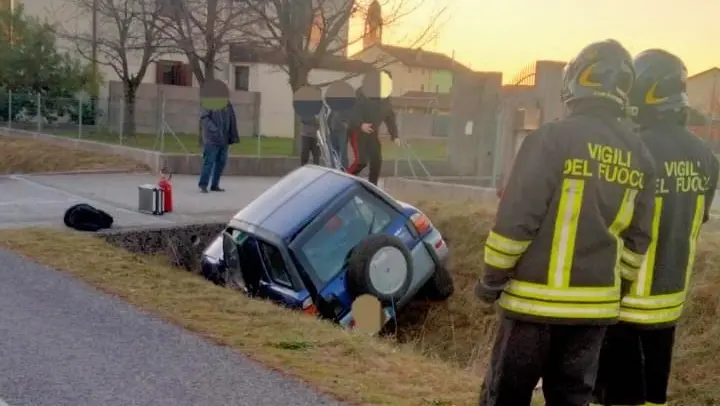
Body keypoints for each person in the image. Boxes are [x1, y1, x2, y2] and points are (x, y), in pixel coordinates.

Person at [475, 39, 657, 406]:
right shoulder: (640, 155)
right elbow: (639, 239)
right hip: (594, 313)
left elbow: (516, 220)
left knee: (506, 394)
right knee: (572, 396)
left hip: (532, 306)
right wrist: (614, 290)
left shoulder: (551, 139)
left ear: (576, 81)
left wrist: (491, 279)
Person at [591, 49, 719, 406]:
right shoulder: (706, 157)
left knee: (614, 394)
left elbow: (607, 218)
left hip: (624, 299)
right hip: (670, 297)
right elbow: (697, 219)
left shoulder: (634, 148)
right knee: (652, 395)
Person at [347, 73, 401, 185]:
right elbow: (352, 110)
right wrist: (361, 124)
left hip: (372, 133)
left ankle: (373, 186)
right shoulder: (362, 92)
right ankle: (344, 180)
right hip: (357, 131)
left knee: (376, 160)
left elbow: (390, 117)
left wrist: (394, 135)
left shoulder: (385, 99)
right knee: (361, 162)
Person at [198, 100, 239, 193]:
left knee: (221, 162)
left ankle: (215, 185)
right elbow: (204, 117)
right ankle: (203, 184)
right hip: (212, 139)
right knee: (209, 161)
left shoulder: (228, 103)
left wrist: (232, 134)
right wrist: (214, 130)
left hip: (224, 139)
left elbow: (232, 118)